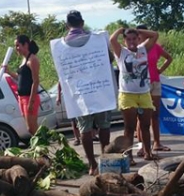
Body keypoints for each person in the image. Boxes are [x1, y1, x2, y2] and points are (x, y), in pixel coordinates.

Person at [56, 10, 112, 175]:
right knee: (104, 125)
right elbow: (109, 58)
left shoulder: (62, 46)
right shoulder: (96, 40)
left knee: (85, 129)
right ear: (82, 22)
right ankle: (105, 159)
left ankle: (92, 164)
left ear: (67, 25)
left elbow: (62, 72)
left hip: (80, 93)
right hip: (99, 89)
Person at [110, 26, 159, 163]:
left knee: (145, 126)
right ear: (125, 40)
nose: (131, 42)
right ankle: (129, 155)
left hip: (144, 93)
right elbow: (112, 39)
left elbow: (155, 35)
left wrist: (139, 31)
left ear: (138, 39)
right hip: (127, 94)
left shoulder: (143, 49)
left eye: (134, 39)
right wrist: (121, 30)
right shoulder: (121, 52)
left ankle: (148, 152)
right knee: (130, 127)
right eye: (128, 39)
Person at [134, 24, 173, 156]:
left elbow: (169, 58)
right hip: (142, 83)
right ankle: (141, 146)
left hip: (155, 81)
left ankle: (157, 142)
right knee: (141, 117)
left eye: (144, 34)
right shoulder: (136, 48)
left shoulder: (155, 46)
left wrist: (160, 70)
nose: (142, 37)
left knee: (155, 114)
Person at [5, 35, 40, 136]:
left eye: (18, 45)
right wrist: (9, 72)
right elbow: (20, 78)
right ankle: (39, 149)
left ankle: (43, 147)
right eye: (15, 46)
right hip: (22, 98)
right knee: (30, 129)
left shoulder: (32, 59)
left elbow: (36, 81)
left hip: (30, 97)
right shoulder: (24, 60)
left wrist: (31, 101)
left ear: (26, 44)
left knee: (32, 128)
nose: (17, 48)